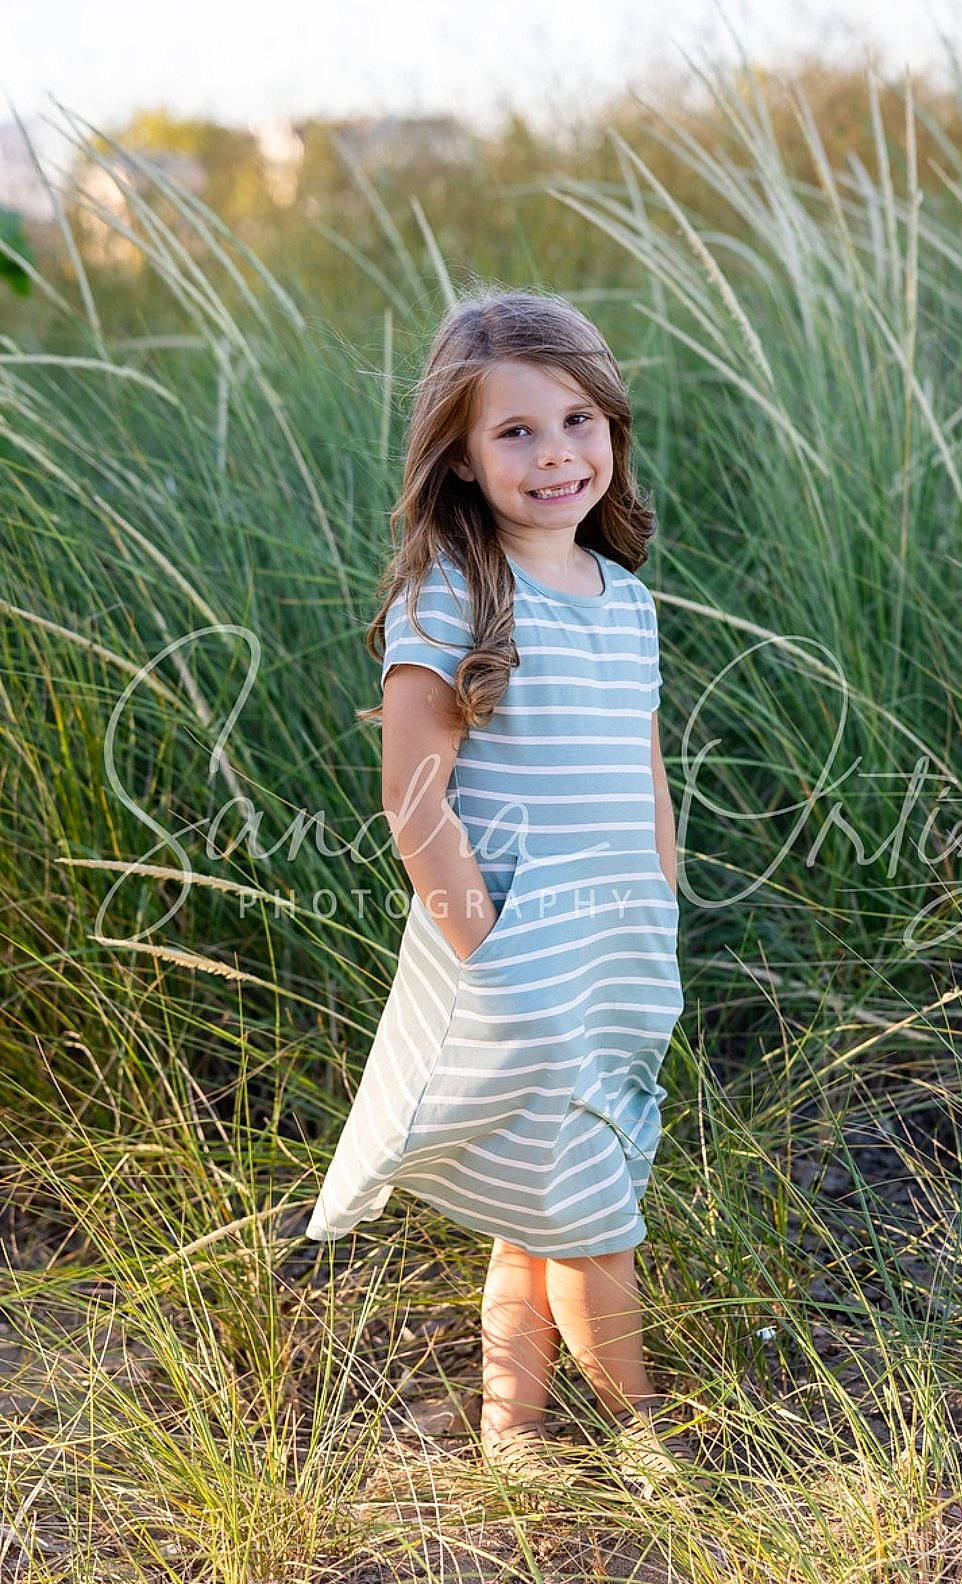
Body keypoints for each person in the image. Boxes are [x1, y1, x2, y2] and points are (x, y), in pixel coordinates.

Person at [305, 286, 702, 1493]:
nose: (555, 454)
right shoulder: (453, 599)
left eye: (577, 421)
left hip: (613, 947)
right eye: (515, 433)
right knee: (595, 1222)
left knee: (540, 1205)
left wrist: (659, 912)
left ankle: (510, 1435)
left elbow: (644, 774)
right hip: (513, 952)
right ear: (463, 460)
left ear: (612, 431)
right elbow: (412, 798)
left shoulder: (623, 603)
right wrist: (491, 951)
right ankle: (647, 1440)